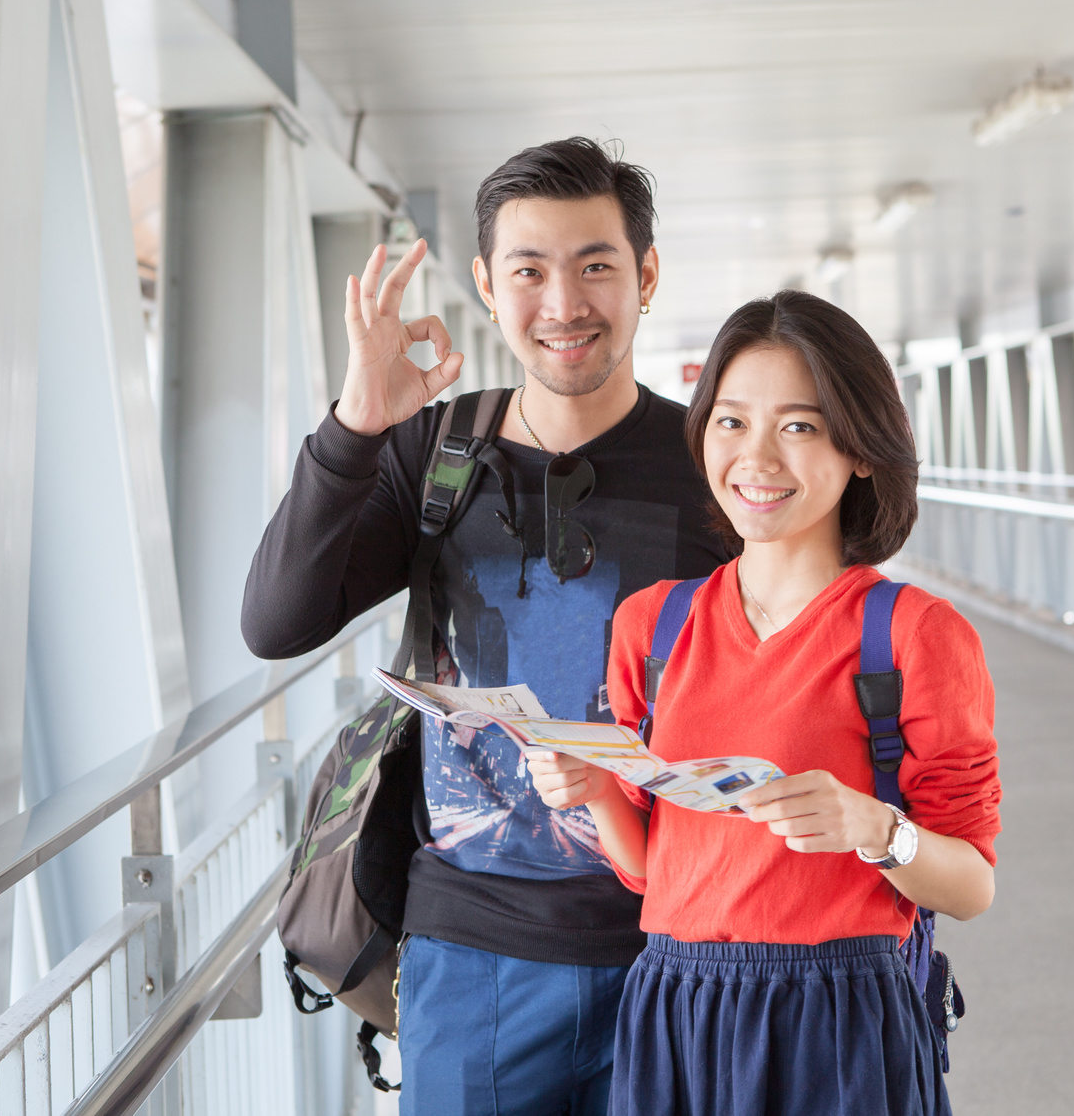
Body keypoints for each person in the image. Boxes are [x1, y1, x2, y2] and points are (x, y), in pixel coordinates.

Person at [241, 138, 730, 1115]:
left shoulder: (708, 464)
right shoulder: (435, 448)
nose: (564, 303)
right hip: (472, 955)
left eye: (595, 265)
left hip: (680, 943)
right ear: (486, 283)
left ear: (645, 275)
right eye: (528, 269)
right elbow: (276, 621)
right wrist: (354, 428)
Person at [529, 290, 1002, 1116]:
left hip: (840, 1012)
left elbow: (969, 886)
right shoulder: (655, 626)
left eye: (800, 426)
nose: (758, 457)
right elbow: (655, 870)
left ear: (860, 449)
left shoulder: (916, 634)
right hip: (677, 1003)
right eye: (731, 421)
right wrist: (597, 787)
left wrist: (874, 828)